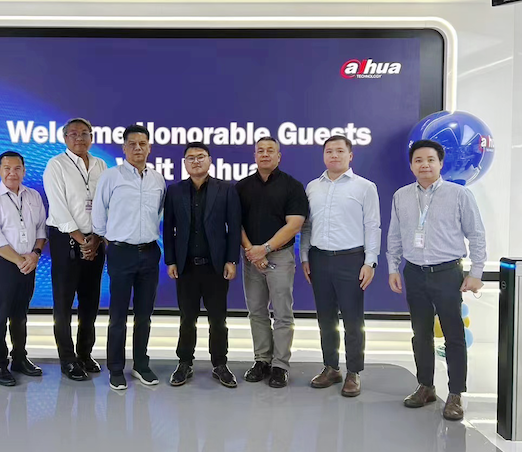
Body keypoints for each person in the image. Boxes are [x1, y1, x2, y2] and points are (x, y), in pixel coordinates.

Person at [386, 139, 486, 421]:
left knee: (453, 335)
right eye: (418, 160)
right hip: (414, 272)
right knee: (420, 334)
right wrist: (393, 268)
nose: (425, 165)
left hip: (447, 273)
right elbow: (395, 235)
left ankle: (455, 394)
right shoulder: (401, 196)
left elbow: (476, 234)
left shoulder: (459, 194)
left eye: (431, 159)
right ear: (411, 166)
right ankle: (425, 386)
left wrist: (476, 272)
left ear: (440, 163)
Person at [300, 135, 380, 397]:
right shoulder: (313, 187)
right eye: (329, 151)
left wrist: (370, 261)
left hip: (351, 259)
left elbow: (372, 226)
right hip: (319, 258)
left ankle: (353, 372)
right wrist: (305, 257)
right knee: (326, 318)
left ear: (350, 155)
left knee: (353, 320)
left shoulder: (365, 187)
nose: (334, 155)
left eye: (339, 151)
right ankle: (331, 367)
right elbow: (307, 226)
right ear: (323, 155)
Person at [92, 124, 166, 391]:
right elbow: (98, 215)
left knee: (144, 314)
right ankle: (115, 368)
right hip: (121, 252)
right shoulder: (111, 177)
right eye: (132, 144)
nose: (137, 148)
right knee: (118, 315)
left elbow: (159, 213)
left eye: (142, 144)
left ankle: (141, 364)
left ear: (149, 147)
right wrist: (112, 240)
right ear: (124, 148)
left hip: (149, 252)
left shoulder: (157, 179)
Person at [163, 142, 241, 388]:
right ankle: (184, 363)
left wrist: (231, 260)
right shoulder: (174, 191)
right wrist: (171, 260)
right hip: (186, 266)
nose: (196, 161)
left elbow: (234, 228)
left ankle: (220, 363)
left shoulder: (226, 190)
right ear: (184, 163)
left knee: (218, 319)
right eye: (191, 158)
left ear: (209, 160)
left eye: (200, 156)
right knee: (187, 318)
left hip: (215, 267)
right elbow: (168, 229)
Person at [236, 136, 308, 388]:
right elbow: (236, 223)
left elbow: (295, 224)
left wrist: (264, 249)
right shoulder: (242, 187)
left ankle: (280, 365)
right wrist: (251, 251)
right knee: (256, 312)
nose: (265, 154)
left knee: (282, 313)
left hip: (279, 257)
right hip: (251, 258)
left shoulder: (292, 186)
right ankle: (262, 360)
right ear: (255, 156)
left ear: (279, 156)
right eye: (260, 150)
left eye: (270, 150)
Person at [43, 118, 107, 381]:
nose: (79, 138)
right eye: (73, 134)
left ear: (91, 137)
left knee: (90, 302)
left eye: (84, 133)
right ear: (65, 138)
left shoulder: (101, 165)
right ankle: (67, 359)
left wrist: (97, 239)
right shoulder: (56, 165)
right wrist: (82, 240)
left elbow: (106, 203)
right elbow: (58, 207)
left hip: (96, 241)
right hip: (67, 241)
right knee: (64, 302)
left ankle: (84, 353)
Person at [0, 151, 47, 386]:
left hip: (29, 263)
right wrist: (20, 260)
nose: (12, 173)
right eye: (7, 168)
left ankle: (19, 358)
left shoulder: (34, 196)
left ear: (24, 170)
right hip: (2, 265)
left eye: (17, 168)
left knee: (20, 314)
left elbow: (41, 229)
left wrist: (35, 255)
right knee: (1, 315)